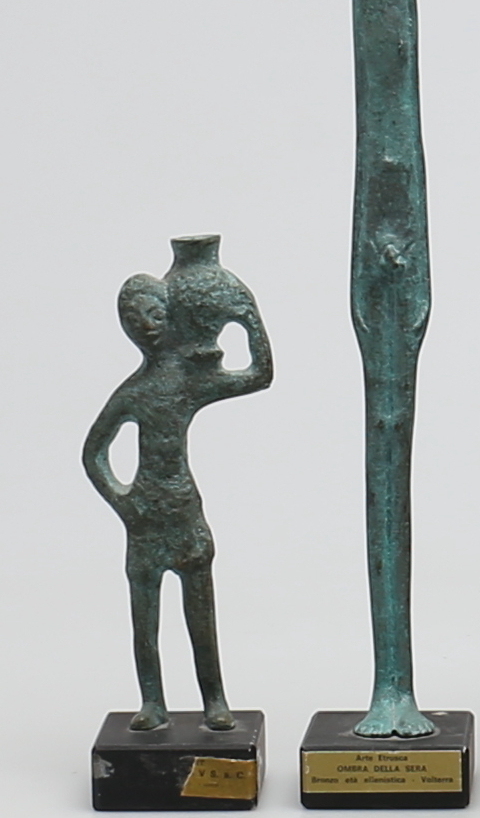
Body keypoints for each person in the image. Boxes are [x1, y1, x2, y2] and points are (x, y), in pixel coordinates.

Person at [83, 263, 272, 731]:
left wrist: (247, 316)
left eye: (152, 314)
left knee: (200, 615)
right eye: (132, 319)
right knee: (144, 617)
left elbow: (259, 375)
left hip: (184, 512)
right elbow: (93, 453)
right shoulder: (134, 392)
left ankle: (215, 700)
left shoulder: (189, 379)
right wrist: (124, 503)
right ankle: (152, 702)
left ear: (171, 317)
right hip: (145, 518)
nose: (145, 326)